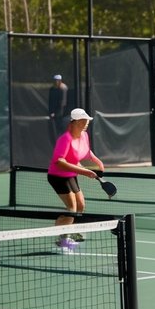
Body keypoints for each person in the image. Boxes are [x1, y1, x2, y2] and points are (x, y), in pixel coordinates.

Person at [47, 108, 105, 253]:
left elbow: (86, 151)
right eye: (84, 121)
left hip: (71, 174)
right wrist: (85, 171)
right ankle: (62, 239)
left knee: (80, 205)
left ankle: (69, 229)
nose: (86, 123)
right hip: (57, 176)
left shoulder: (84, 135)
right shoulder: (65, 139)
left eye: (87, 121)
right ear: (75, 122)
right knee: (72, 208)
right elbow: (59, 162)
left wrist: (97, 161)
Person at [47, 74, 69, 139]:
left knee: (60, 129)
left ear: (60, 81)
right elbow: (50, 101)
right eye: (54, 80)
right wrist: (51, 112)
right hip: (53, 114)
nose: (55, 82)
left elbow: (62, 103)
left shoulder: (63, 89)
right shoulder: (52, 89)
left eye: (57, 80)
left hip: (60, 114)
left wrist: (56, 113)